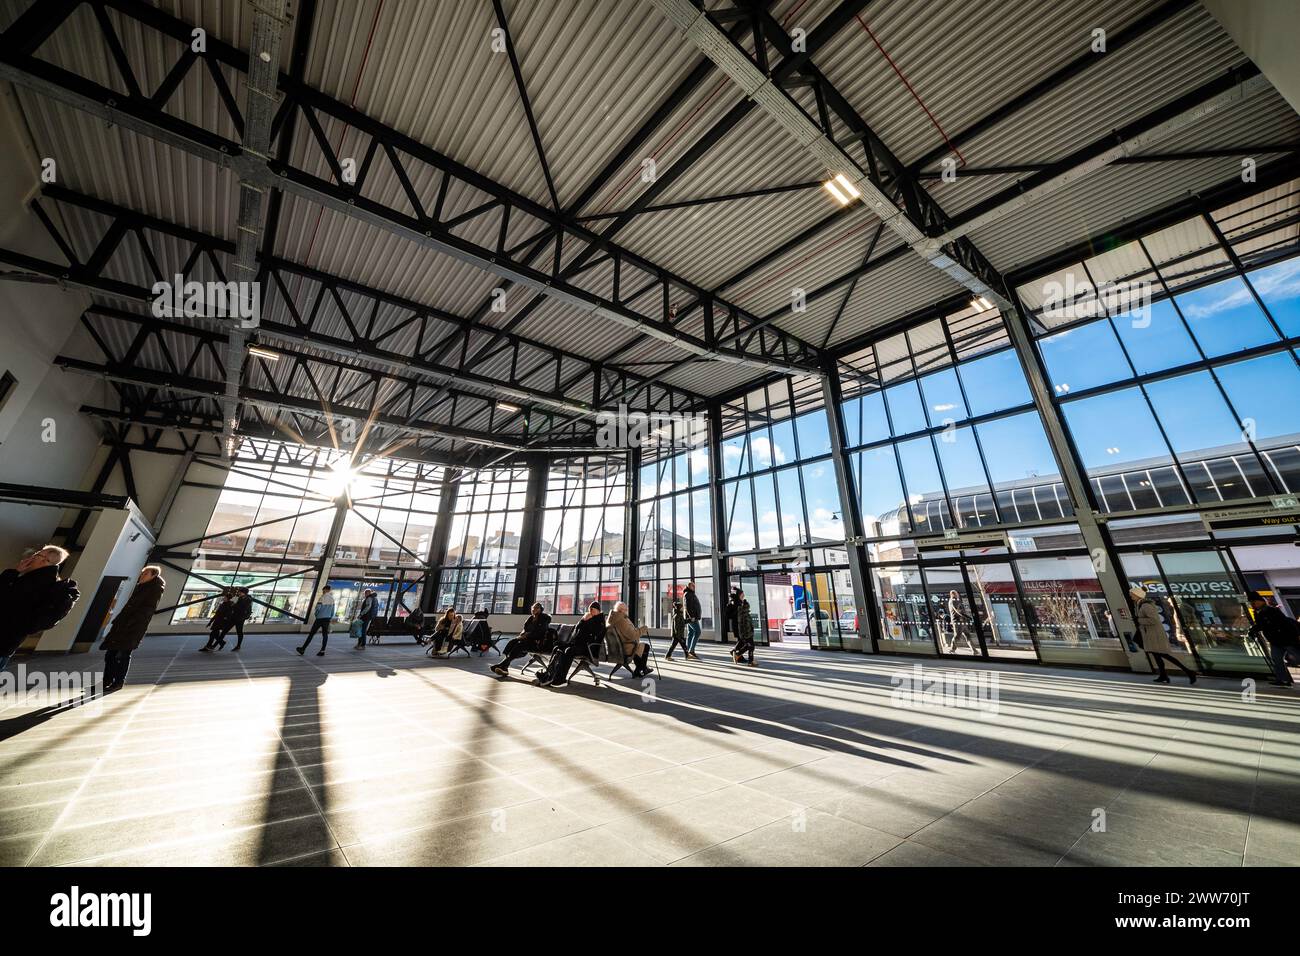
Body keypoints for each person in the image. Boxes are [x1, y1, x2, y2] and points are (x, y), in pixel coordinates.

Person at [0, 545, 80, 670]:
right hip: (8, 642)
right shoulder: (42, 579)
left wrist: (13, 572)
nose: (32, 556)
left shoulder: (34, 582)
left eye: (37, 554)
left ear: (44, 561)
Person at [100, 566, 166, 692]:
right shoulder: (143, 588)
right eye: (142, 573)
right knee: (111, 654)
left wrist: (131, 623)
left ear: (154, 576)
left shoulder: (154, 590)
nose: (142, 576)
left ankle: (118, 682)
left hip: (132, 628)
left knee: (122, 655)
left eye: (145, 574)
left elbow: (147, 610)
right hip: (124, 625)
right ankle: (107, 681)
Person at [1132, 586, 1196, 685]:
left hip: (1153, 634)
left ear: (1137, 595)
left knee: (1163, 655)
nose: (1131, 596)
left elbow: (1153, 620)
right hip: (1149, 634)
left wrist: (1138, 620)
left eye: (1132, 594)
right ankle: (1163, 675)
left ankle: (1188, 672)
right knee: (1157, 656)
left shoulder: (1145, 606)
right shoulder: (1140, 604)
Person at [540, 601, 607, 687]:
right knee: (557, 647)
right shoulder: (588, 618)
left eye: (592, 609)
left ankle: (561, 679)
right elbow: (577, 629)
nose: (590, 611)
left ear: (598, 610)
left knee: (569, 651)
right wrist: (583, 620)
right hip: (578, 644)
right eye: (589, 609)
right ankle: (549, 674)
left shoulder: (600, 621)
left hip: (588, 648)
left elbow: (594, 633)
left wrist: (587, 621)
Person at [1246, 590, 1299, 687]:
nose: (1252, 604)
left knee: (1298, 657)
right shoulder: (1258, 613)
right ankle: (1283, 680)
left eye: (1253, 602)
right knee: (1277, 659)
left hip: (1286, 639)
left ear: (1260, 601)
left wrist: (1256, 629)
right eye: (1251, 603)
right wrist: (1254, 630)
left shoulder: (1271, 611)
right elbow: (1261, 625)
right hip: (1275, 641)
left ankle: (1283, 680)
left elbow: (1272, 624)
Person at [491, 602, 551, 676]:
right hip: (527, 640)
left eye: (536, 608)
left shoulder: (544, 618)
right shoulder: (530, 618)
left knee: (519, 645)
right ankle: (505, 666)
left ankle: (502, 665)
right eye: (533, 607)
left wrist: (527, 635)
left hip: (537, 642)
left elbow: (541, 631)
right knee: (512, 642)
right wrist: (521, 635)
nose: (534, 609)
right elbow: (525, 630)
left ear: (541, 609)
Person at [608, 601, 652, 678]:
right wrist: (643, 629)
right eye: (626, 609)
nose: (627, 611)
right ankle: (642, 669)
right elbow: (632, 635)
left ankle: (640, 669)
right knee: (645, 646)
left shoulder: (612, 618)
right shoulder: (621, 620)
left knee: (637, 646)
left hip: (617, 647)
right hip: (625, 647)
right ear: (621, 610)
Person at [297, 586, 335, 656]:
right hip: (327, 619)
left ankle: (303, 649)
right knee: (325, 635)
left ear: (326, 590)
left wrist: (317, 615)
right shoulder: (332, 599)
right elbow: (333, 611)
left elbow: (318, 608)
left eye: (323, 590)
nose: (322, 592)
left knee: (311, 634)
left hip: (319, 619)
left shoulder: (322, 598)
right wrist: (329, 617)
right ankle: (322, 651)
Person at [947, 590, 977, 654]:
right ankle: (952, 649)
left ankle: (974, 650)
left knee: (967, 635)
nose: (958, 594)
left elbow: (960, 610)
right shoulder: (953, 601)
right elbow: (958, 611)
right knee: (957, 636)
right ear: (953, 594)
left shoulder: (955, 600)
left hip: (961, 621)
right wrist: (968, 617)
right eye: (956, 593)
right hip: (958, 621)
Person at [732, 593, 756, 666]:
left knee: (750, 646)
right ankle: (740, 656)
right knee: (750, 646)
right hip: (747, 633)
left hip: (748, 633)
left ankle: (748, 660)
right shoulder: (743, 614)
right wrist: (747, 633)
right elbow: (744, 625)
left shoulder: (744, 613)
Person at [227, 587, 253, 651]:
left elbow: (240, 608)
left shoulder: (247, 600)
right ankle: (238, 646)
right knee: (235, 631)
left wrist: (233, 605)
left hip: (240, 618)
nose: (238, 593)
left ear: (243, 592)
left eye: (239, 592)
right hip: (237, 617)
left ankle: (238, 645)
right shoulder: (241, 598)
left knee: (238, 631)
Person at [683, 581, 702, 661]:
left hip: (692, 617)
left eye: (694, 586)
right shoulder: (688, 594)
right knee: (698, 632)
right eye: (692, 586)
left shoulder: (690, 593)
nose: (694, 587)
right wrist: (692, 617)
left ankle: (688, 651)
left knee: (690, 633)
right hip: (692, 618)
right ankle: (691, 650)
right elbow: (687, 607)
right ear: (689, 586)